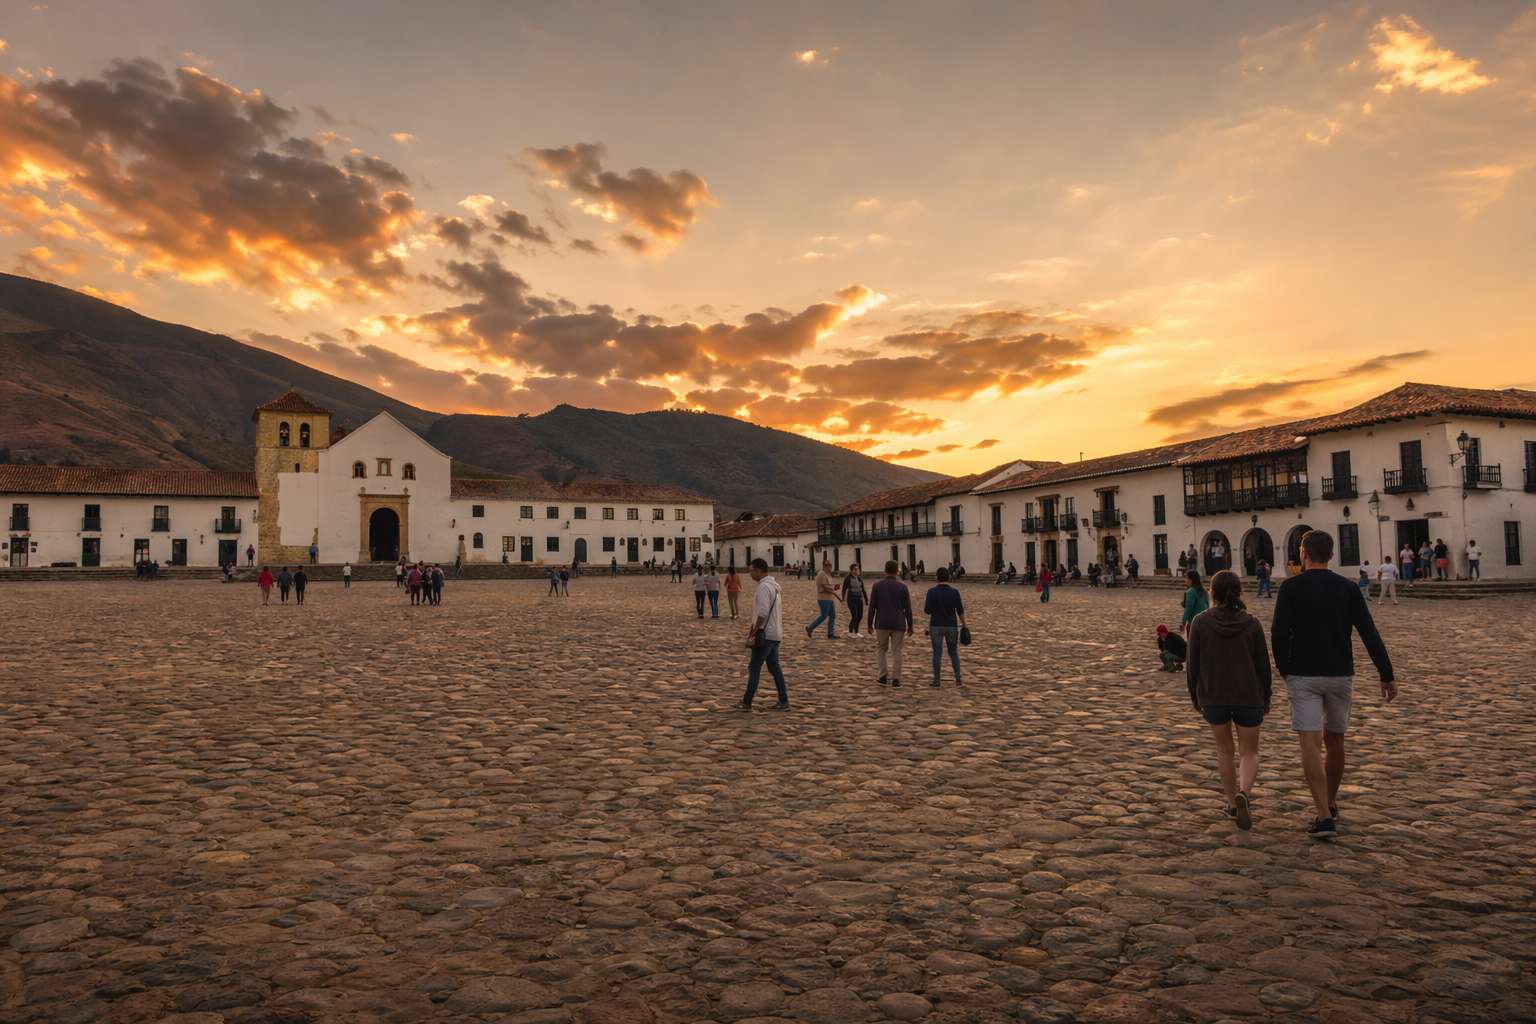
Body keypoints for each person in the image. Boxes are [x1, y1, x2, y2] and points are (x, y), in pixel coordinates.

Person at [1271, 529, 1396, 839]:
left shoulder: (1291, 587)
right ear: (1330, 555)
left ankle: (1325, 815)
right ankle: (1328, 802)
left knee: (1310, 745)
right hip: (1341, 674)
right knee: (1336, 741)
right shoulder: (1348, 588)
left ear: (1303, 554)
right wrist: (1386, 673)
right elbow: (1369, 633)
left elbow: (1277, 633)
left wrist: (1285, 670)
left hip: (1303, 675)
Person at [1187, 570, 1272, 831]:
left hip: (1214, 694)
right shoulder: (1251, 622)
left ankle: (1233, 805)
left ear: (1212, 592)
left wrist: (1194, 693)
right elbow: (1263, 664)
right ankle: (1244, 793)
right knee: (1250, 752)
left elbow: (1193, 663)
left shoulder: (1200, 623)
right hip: (1248, 694)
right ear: (1239, 591)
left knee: (1224, 750)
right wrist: (1266, 695)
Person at [732, 558, 789, 711]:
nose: (750, 574)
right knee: (774, 668)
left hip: (766, 635)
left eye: (752, 571)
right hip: (775, 633)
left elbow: (763, 611)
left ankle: (746, 702)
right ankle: (783, 701)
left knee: (754, 667)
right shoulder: (774, 587)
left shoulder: (764, 587)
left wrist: (755, 630)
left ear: (759, 570)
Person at [869, 559, 913, 687]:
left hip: (882, 622)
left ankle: (882, 676)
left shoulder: (877, 585)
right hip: (898, 622)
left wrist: (869, 623)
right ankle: (896, 679)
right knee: (897, 650)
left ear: (885, 570)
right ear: (897, 572)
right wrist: (910, 625)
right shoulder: (903, 587)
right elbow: (908, 608)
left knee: (881, 649)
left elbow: (872, 606)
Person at [923, 567, 966, 688]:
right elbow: (960, 610)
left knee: (937, 653)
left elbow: (927, 610)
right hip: (951, 625)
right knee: (953, 653)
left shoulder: (931, 592)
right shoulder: (954, 592)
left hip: (936, 625)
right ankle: (958, 678)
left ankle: (937, 680)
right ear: (949, 577)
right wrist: (964, 624)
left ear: (936, 577)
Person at [807, 559, 842, 638]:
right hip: (824, 598)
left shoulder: (827, 574)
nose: (831, 568)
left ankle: (830, 633)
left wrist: (834, 588)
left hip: (830, 598)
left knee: (832, 616)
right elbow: (825, 586)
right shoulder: (822, 574)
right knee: (823, 616)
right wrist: (833, 588)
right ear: (826, 566)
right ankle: (810, 627)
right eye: (830, 566)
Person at [842, 564, 867, 637]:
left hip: (859, 599)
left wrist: (866, 599)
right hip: (851, 599)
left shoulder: (859, 578)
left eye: (857, 569)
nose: (856, 571)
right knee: (854, 616)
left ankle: (856, 631)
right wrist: (843, 598)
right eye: (855, 569)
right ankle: (850, 632)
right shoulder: (848, 578)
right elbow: (844, 588)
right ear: (851, 570)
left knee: (860, 616)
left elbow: (863, 589)